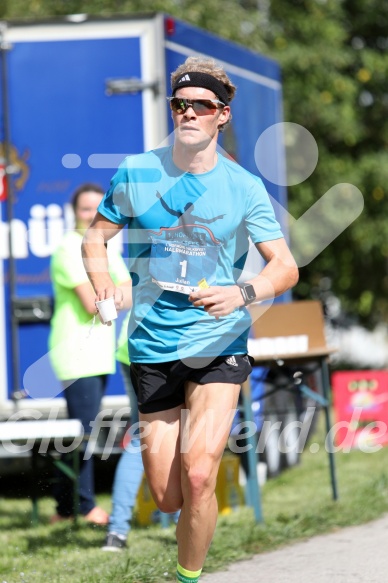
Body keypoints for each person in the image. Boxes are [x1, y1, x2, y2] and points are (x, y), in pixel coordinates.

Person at [81, 57, 298, 581]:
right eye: (180, 104)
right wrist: (101, 280)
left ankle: (188, 577)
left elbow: (285, 266)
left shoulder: (243, 186)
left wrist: (242, 292)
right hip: (153, 343)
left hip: (217, 341)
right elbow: (95, 238)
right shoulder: (138, 171)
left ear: (221, 115)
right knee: (168, 492)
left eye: (201, 106)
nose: (189, 113)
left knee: (200, 476)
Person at [48, 182, 131, 525]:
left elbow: (128, 293)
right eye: (85, 208)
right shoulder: (69, 249)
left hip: (98, 353)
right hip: (75, 352)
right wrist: (113, 293)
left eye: (98, 209)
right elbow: (94, 303)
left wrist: (111, 294)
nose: (91, 215)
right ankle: (83, 506)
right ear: (75, 212)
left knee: (82, 432)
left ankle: (64, 509)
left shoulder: (107, 249)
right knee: (82, 433)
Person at [102, 311, 144, 550]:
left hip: (131, 344)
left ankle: (117, 532)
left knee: (141, 439)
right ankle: (188, 527)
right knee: (182, 436)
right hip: (166, 346)